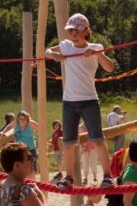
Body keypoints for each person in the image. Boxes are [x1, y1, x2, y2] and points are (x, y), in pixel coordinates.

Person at [45, 13, 116, 190]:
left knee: (97, 139)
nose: (73, 33)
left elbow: (110, 67)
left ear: (86, 31)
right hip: (69, 102)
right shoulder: (66, 46)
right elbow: (46, 52)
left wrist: (98, 54)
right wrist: (54, 55)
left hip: (89, 101)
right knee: (68, 142)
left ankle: (108, 176)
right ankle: (68, 177)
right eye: (71, 30)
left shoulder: (96, 47)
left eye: (77, 30)